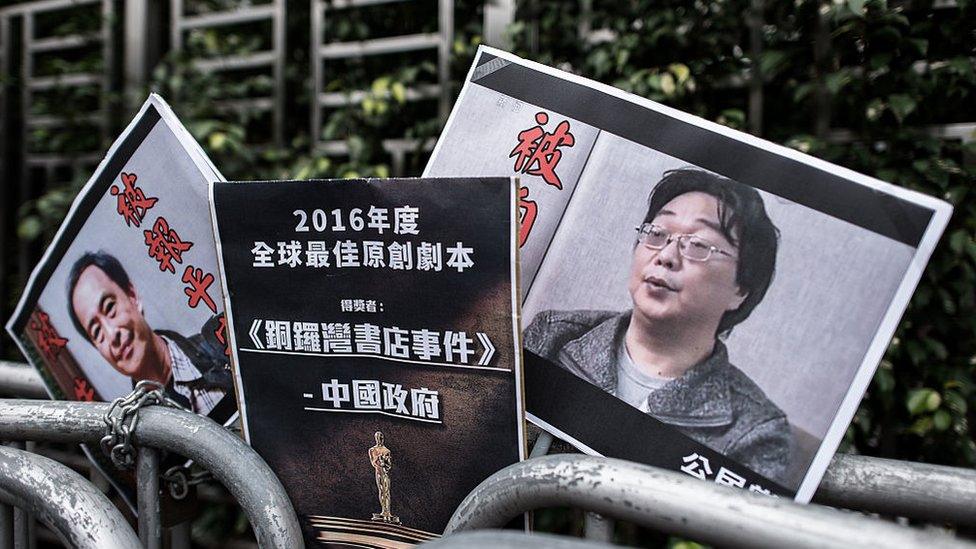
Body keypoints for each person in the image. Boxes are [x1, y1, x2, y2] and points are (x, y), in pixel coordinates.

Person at [524, 168, 792, 483]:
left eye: (699, 244)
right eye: (656, 233)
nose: (665, 256)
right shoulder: (553, 334)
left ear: (740, 290)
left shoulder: (756, 430)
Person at [67, 251, 232, 415]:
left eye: (110, 307)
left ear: (132, 296)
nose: (111, 335)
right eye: (97, 332)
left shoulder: (222, 343)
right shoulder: (134, 434)